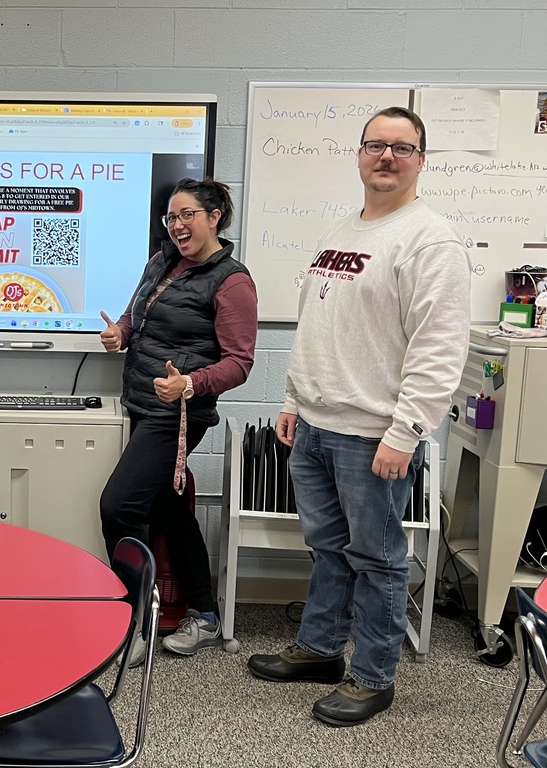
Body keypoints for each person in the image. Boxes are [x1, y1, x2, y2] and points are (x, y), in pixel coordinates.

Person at [246, 107, 471, 726]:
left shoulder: (431, 240)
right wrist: (294, 400)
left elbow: (439, 348)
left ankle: (373, 675)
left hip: (374, 436)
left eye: (402, 148)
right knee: (327, 547)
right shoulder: (344, 230)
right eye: (376, 145)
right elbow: (318, 325)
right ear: (360, 154)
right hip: (316, 426)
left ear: (421, 160)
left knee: (377, 557)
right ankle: (320, 650)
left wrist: (406, 433)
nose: (387, 156)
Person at [99, 177, 258, 662]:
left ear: (214, 218)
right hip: (145, 402)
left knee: (119, 505)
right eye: (171, 216)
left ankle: (135, 622)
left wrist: (190, 383)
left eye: (188, 214)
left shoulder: (232, 281)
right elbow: (134, 314)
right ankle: (205, 616)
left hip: (180, 412)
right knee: (169, 509)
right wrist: (119, 334)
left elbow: (240, 362)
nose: (177, 224)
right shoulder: (162, 260)